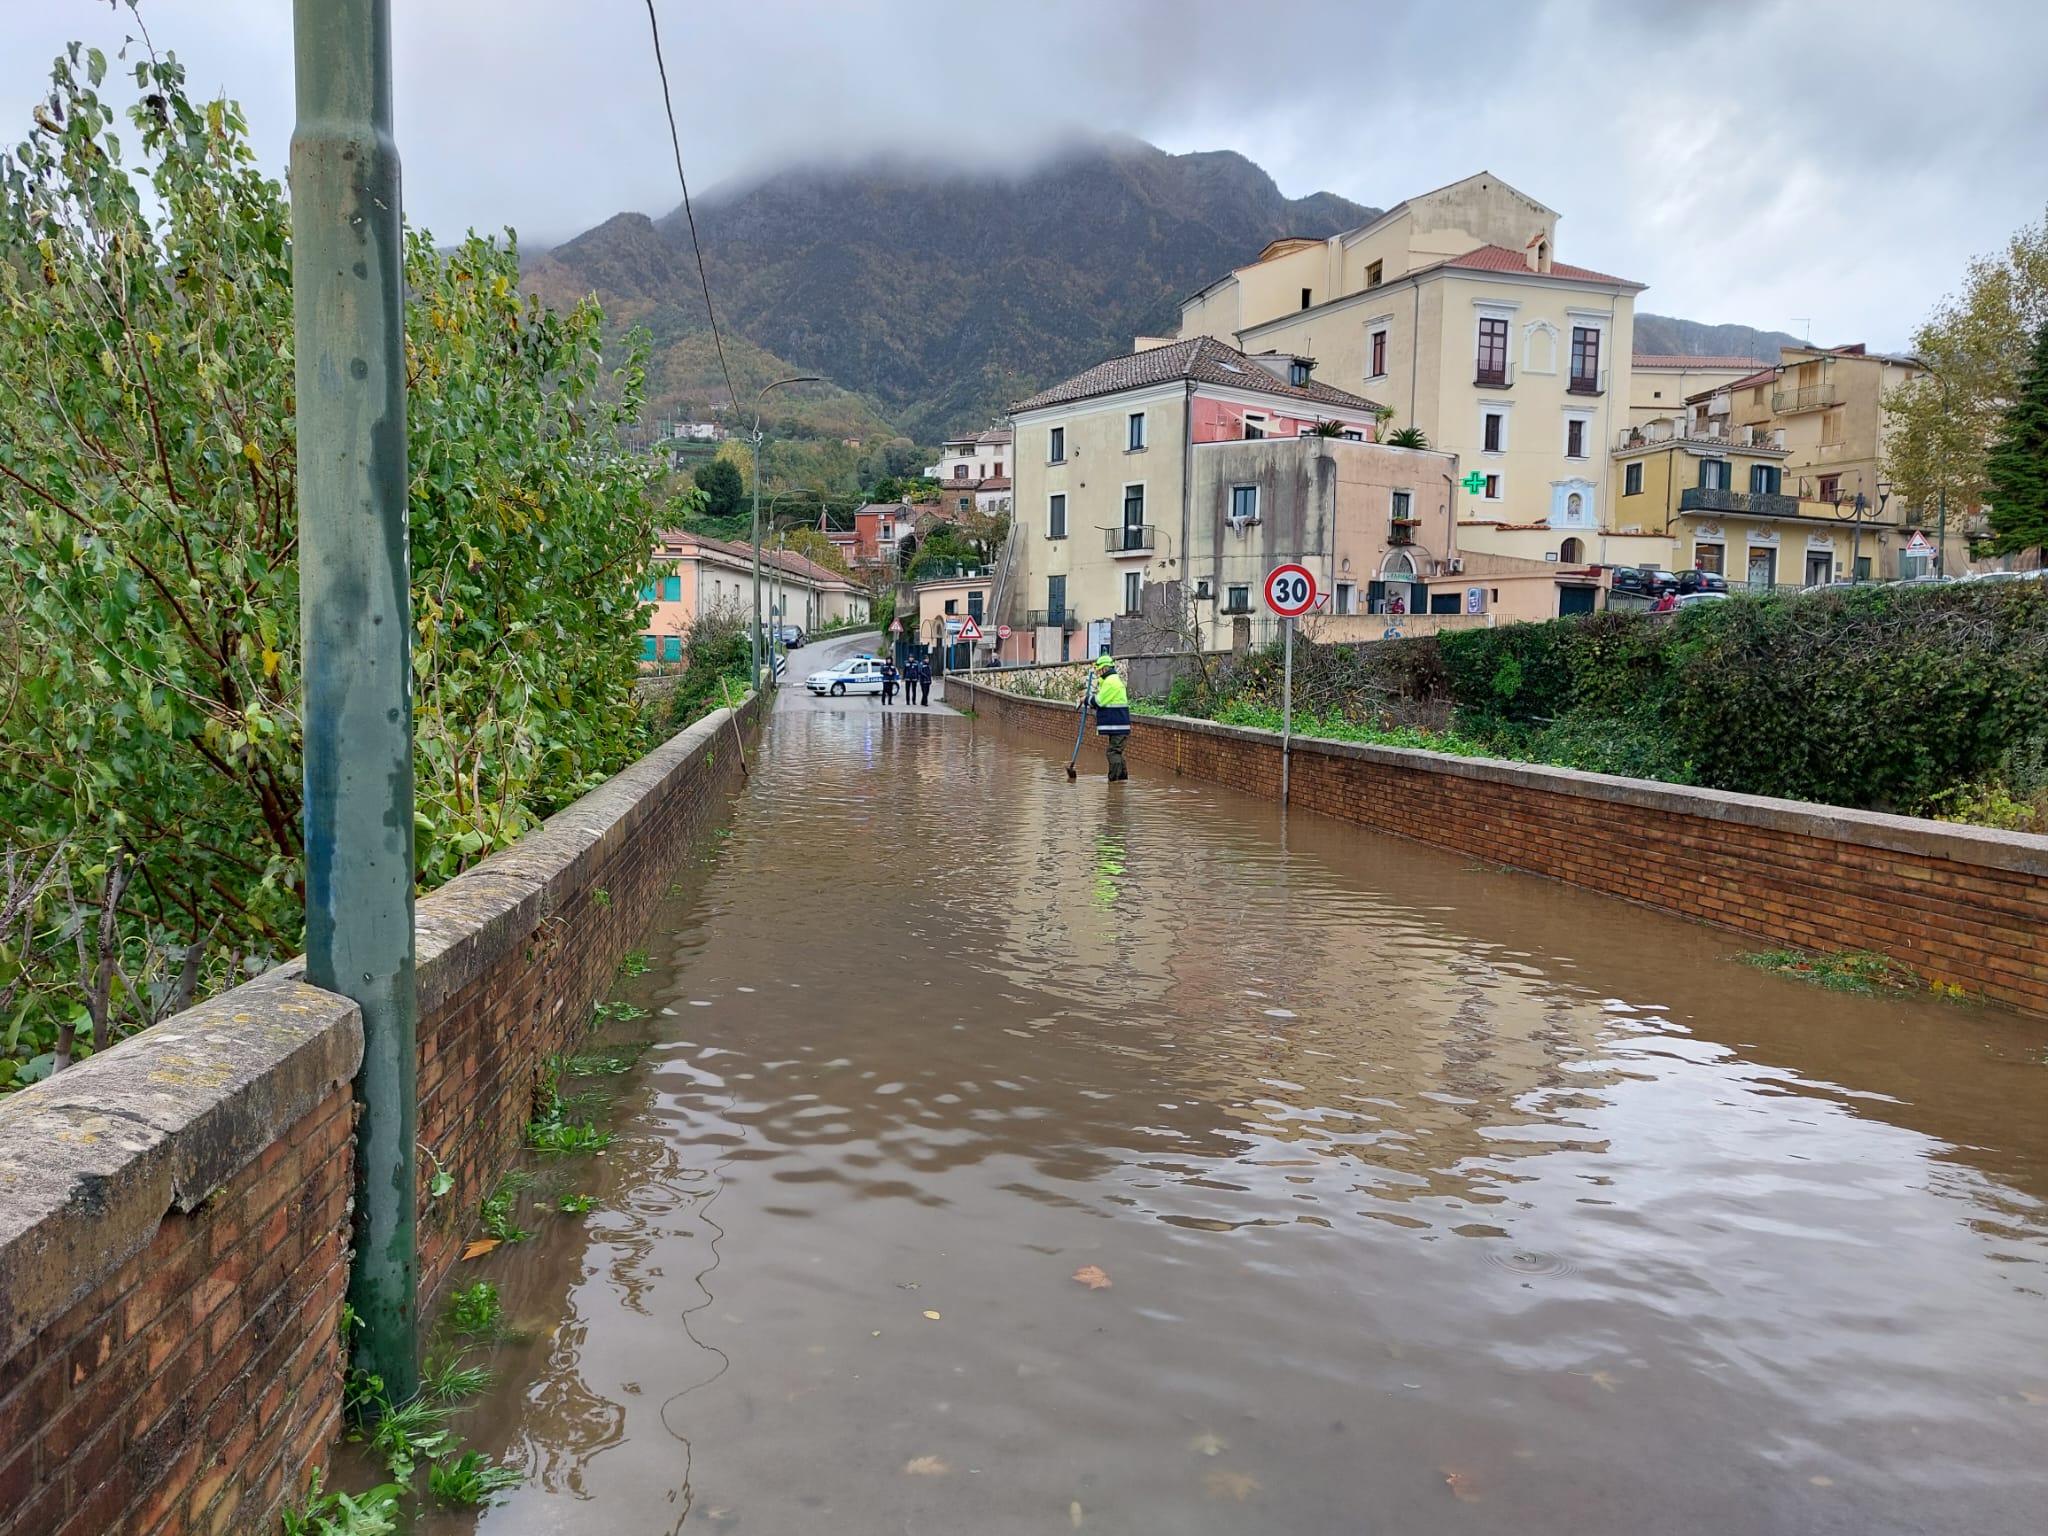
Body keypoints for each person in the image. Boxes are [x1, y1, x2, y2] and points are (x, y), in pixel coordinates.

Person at [1089, 653, 1131, 781]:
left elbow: (1099, 701)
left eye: (1099, 670)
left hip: (1118, 724)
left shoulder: (1110, 682)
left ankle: (1115, 782)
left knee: (1113, 752)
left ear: (1105, 669)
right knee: (1116, 752)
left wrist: (1086, 700)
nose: (1098, 673)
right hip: (1119, 724)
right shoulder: (1112, 680)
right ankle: (1122, 780)